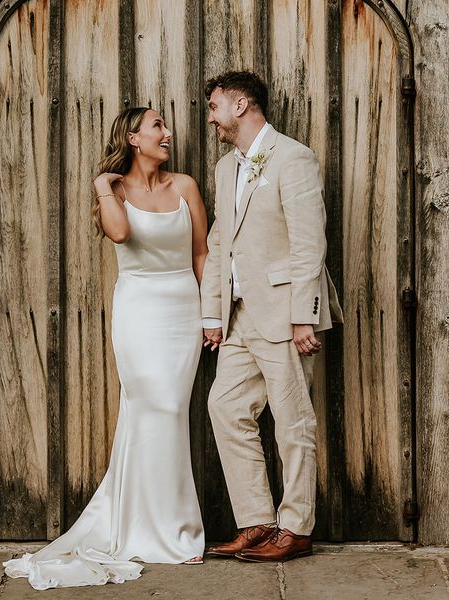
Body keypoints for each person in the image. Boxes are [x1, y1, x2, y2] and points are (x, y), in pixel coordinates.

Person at [3, 107, 208, 589]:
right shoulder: (113, 193)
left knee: (172, 410)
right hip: (138, 311)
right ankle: (161, 532)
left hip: (183, 309)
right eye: (158, 125)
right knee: (151, 404)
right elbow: (120, 233)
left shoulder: (186, 186)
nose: (168, 133)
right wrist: (101, 183)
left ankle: (169, 529)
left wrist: (213, 313)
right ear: (133, 138)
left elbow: (201, 252)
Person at [201, 71, 343, 563]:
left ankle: (296, 528)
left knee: (292, 421)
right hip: (238, 316)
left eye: (216, 105)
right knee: (226, 407)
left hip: (283, 313)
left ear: (241, 104)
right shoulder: (225, 168)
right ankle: (258, 522)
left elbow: (309, 242)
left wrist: (303, 314)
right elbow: (221, 241)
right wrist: (211, 314)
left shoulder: (292, 157)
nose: (212, 116)